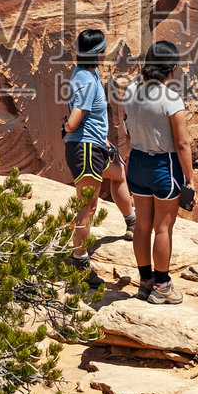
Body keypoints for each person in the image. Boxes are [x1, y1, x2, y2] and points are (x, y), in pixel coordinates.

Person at [119, 40, 196, 304]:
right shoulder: (171, 100)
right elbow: (182, 143)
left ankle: (145, 282)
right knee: (163, 228)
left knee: (142, 225)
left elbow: (128, 129)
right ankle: (162, 287)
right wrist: (190, 180)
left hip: (137, 163)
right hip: (165, 166)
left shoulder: (129, 91)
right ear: (172, 68)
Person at [62, 28, 136, 285]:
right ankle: (79, 259)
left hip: (95, 146)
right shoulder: (84, 79)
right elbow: (74, 120)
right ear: (98, 53)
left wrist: (103, 140)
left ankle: (131, 222)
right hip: (85, 149)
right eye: (104, 49)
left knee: (119, 173)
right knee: (88, 206)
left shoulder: (88, 73)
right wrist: (67, 128)